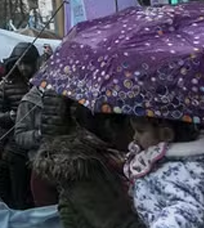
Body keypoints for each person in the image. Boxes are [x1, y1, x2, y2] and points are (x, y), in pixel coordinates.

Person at [32, 95, 143, 228]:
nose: (135, 136)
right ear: (111, 127)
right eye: (135, 129)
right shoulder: (84, 172)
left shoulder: (106, 159)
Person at [124, 117, 204, 228]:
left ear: (166, 134)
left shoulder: (180, 169)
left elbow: (186, 209)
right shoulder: (168, 163)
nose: (135, 137)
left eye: (140, 131)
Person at [0, 42, 41, 209]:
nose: (23, 68)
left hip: (39, 142)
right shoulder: (7, 85)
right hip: (15, 145)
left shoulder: (41, 82)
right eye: (20, 63)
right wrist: (9, 116)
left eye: (27, 63)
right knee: (19, 192)